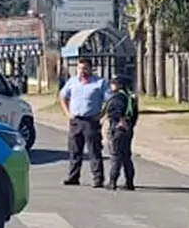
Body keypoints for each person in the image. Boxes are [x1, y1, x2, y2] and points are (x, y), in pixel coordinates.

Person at [59, 57, 109, 188]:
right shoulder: (72, 81)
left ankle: (98, 178)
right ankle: (73, 177)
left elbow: (109, 101)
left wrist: (102, 115)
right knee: (74, 150)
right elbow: (62, 96)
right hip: (76, 121)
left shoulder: (99, 83)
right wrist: (68, 114)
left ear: (90, 68)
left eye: (85, 68)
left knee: (94, 151)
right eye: (80, 68)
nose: (82, 71)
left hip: (91, 121)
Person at [104, 75, 139, 191]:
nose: (111, 85)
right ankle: (129, 182)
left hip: (118, 126)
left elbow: (117, 111)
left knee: (115, 155)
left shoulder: (117, 97)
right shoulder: (130, 97)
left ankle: (113, 181)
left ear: (120, 85)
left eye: (114, 83)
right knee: (126, 156)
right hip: (128, 128)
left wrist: (119, 121)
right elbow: (134, 115)